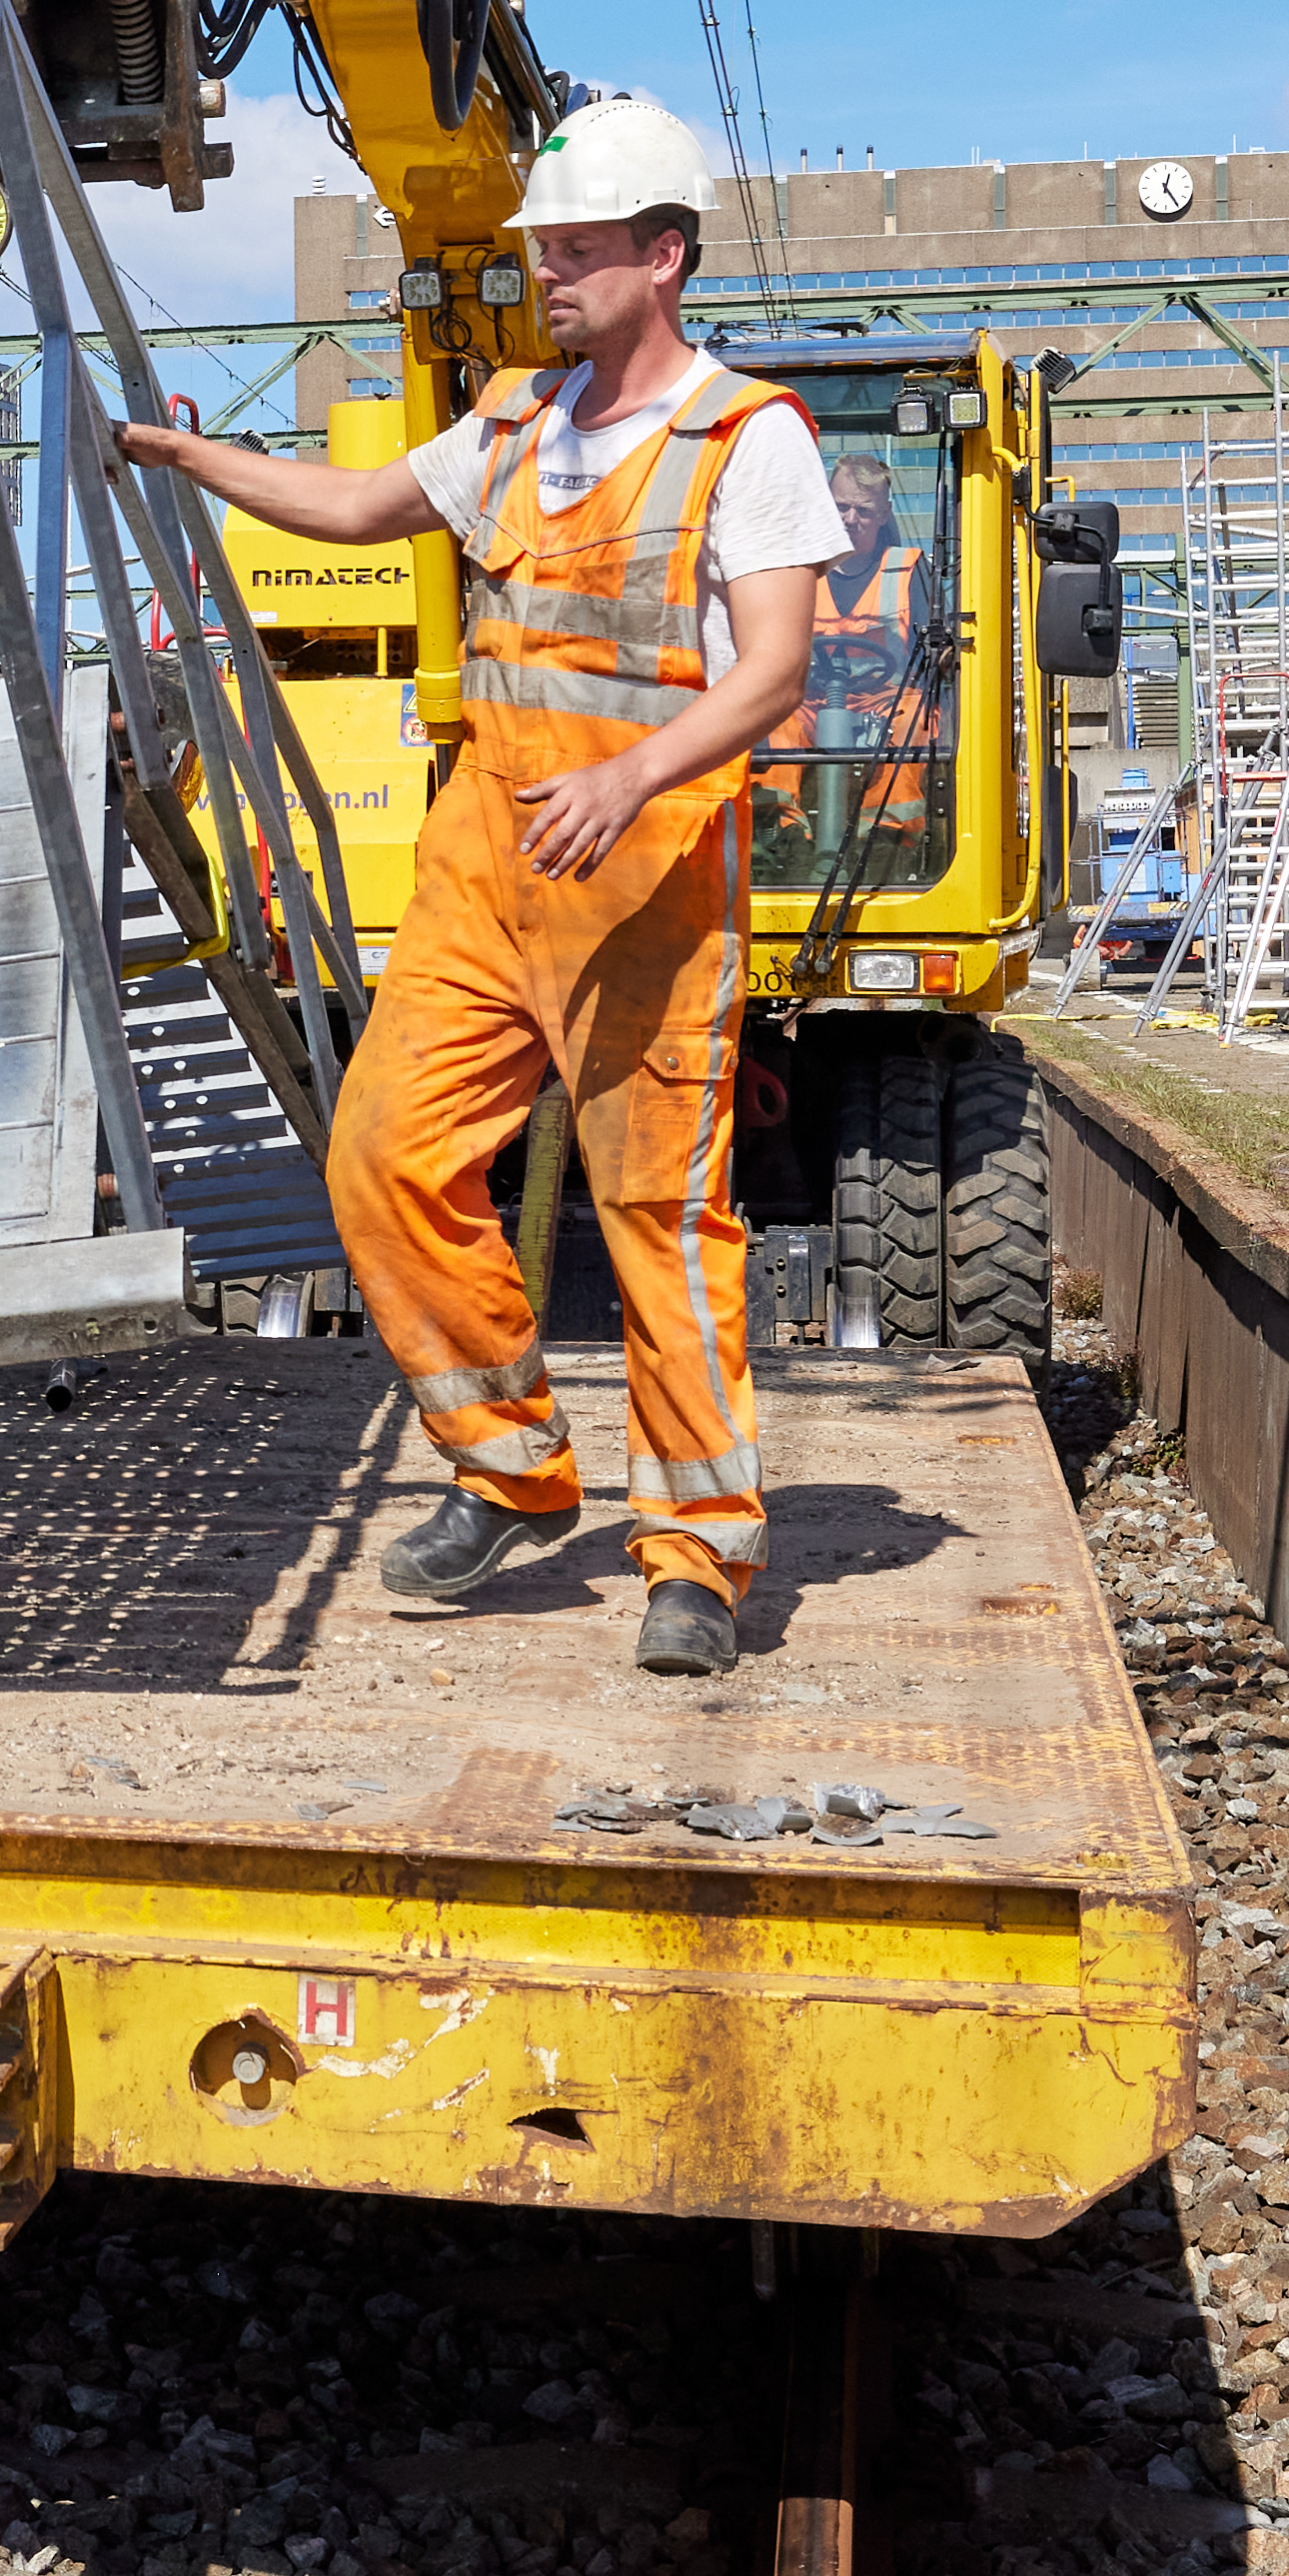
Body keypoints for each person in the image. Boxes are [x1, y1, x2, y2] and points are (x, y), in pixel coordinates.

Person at [120, 91, 839, 1675]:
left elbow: (773, 668)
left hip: (644, 880)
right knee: (378, 1158)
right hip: (481, 868)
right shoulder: (514, 421)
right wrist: (194, 458)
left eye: (577, 250)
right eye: (541, 252)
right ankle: (512, 1469)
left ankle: (697, 1557)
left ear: (664, 258)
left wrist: (631, 772)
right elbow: (355, 507)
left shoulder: (747, 436)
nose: (548, 276)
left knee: (657, 1209)